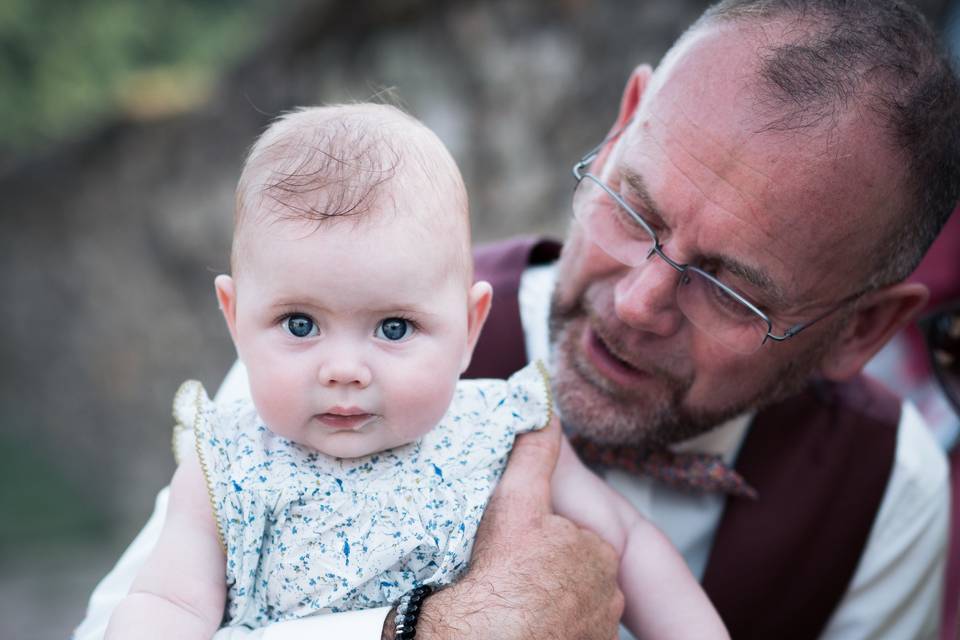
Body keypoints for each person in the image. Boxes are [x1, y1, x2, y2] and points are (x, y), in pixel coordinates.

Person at [75, 1, 960, 638]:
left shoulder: (889, 489)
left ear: (860, 331)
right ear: (619, 131)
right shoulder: (305, 369)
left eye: (730, 289)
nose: (636, 301)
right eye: (635, 210)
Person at [99, 103, 729, 640]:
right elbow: (168, 603)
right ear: (235, 320)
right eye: (299, 324)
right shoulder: (227, 464)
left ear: (468, 328)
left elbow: (630, 543)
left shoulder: (502, 432)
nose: (344, 369)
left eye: (394, 328)